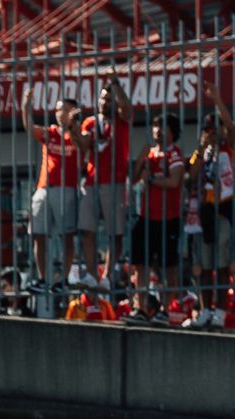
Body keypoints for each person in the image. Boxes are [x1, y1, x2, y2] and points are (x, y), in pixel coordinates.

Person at [21, 87, 85, 290]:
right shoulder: (50, 133)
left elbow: (84, 148)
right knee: (39, 235)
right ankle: (42, 279)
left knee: (67, 236)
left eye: (64, 110)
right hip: (44, 189)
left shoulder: (79, 134)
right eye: (58, 110)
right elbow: (30, 128)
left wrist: (74, 126)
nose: (60, 114)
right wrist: (25, 107)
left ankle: (64, 280)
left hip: (67, 190)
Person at [185, 87, 235, 329]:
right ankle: (205, 309)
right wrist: (200, 149)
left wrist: (217, 99)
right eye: (208, 131)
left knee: (222, 264)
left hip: (224, 212)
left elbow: (232, 127)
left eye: (215, 130)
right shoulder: (200, 154)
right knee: (203, 266)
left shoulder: (229, 148)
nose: (213, 135)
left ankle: (221, 310)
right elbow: (191, 174)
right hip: (203, 216)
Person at [78, 76, 135, 288]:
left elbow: (127, 109)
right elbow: (83, 144)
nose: (105, 103)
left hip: (115, 182)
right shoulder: (90, 122)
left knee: (115, 232)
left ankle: (109, 276)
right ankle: (92, 275)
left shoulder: (122, 120)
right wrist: (75, 130)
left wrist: (116, 85)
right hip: (92, 182)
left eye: (110, 99)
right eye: (103, 98)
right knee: (86, 229)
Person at [131, 113, 186, 294]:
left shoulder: (174, 153)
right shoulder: (150, 153)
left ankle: (170, 310)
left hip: (168, 218)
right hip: (146, 217)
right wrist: (140, 159)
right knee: (140, 263)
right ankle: (141, 307)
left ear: (172, 132)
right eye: (156, 126)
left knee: (169, 266)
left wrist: (152, 179)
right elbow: (132, 180)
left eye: (163, 127)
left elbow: (174, 181)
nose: (158, 131)